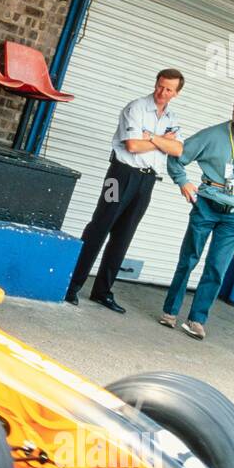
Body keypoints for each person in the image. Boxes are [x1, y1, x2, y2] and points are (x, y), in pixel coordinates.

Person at [65, 70, 185, 312]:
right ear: (156, 83)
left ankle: (102, 292)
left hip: (147, 181)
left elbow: (178, 150)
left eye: (169, 89)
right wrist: (161, 140)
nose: (163, 93)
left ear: (177, 93)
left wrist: (150, 137)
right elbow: (132, 145)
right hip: (119, 176)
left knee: (124, 235)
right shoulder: (136, 108)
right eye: (160, 86)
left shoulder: (171, 116)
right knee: (100, 226)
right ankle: (72, 285)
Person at [159, 94, 234, 340]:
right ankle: (170, 312)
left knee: (217, 268)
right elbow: (177, 156)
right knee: (189, 259)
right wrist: (183, 182)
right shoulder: (212, 135)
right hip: (206, 205)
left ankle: (196, 319)